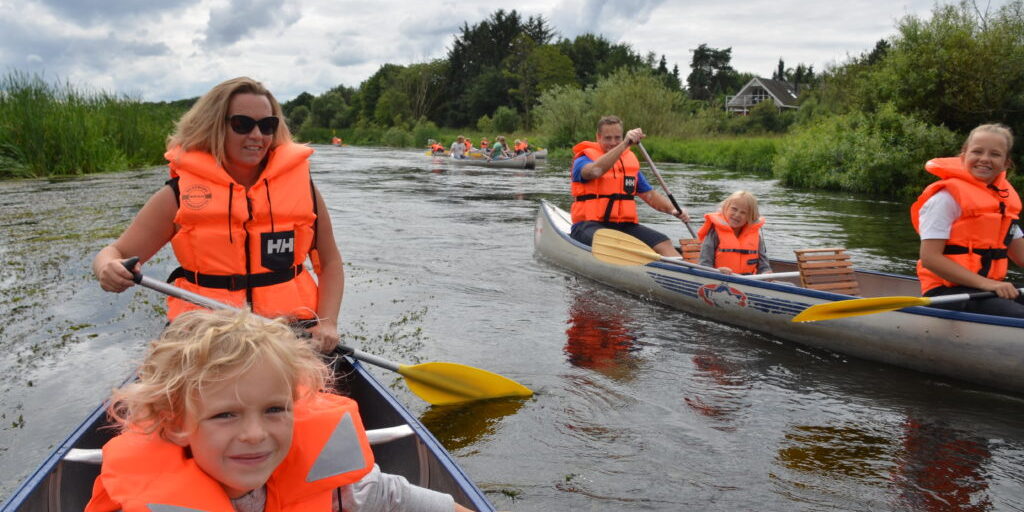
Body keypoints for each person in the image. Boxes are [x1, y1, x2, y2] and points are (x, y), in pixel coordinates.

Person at [84, 309, 473, 512]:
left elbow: (398, 500)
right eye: (225, 415)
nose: (255, 434)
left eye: (274, 409)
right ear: (176, 424)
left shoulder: (343, 490)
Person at [92, 77, 342, 352]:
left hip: (288, 332)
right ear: (215, 126)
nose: (257, 135)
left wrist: (328, 323)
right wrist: (106, 269)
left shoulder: (303, 189)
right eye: (242, 125)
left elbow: (329, 263)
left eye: (267, 125)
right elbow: (114, 252)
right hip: (207, 336)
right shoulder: (179, 195)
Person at [911, 123, 1024, 317]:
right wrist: (989, 284)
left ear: (1006, 163)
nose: (985, 159)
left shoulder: (1003, 204)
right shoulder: (945, 199)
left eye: (995, 154)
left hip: (986, 290)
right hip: (946, 293)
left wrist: (991, 286)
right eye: (977, 152)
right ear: (963, 157)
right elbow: (930, 258)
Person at [569, 115, 689, 257]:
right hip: (588, 225)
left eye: (617, 138)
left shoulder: (628, 165)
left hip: (623, 225)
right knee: (611, 242)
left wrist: (673, 209)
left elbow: (649, 195)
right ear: (598, 137)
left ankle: (678, 274)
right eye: (608, 138)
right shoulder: (583, 159)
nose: (613, 142)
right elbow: (595, 171)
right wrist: (624, 144)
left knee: (664, 243)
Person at [697, 190, 771, 275]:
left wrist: (766, 273)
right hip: (719, 279)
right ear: (726, 208)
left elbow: (764, 267)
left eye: (743, 212)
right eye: (734, 209)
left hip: (748, 281)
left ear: (750, 217)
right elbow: (704, 265)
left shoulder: (756, 238)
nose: (737, 215)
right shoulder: (714, 233)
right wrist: (717, 271)